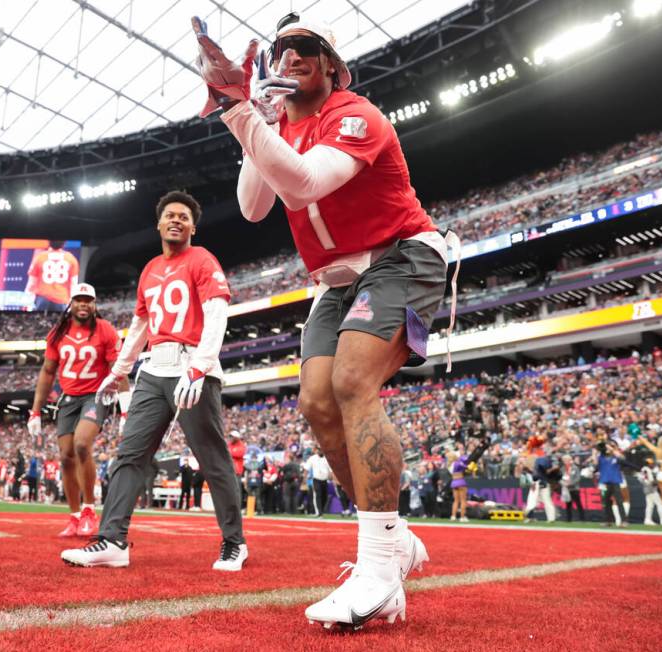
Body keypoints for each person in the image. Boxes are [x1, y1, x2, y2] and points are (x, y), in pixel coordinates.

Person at [193, 11, 446, 627]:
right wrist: (252, 114)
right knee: (316, 403)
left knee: (352, 382)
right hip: (334, 281)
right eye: (283, 48)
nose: (292, 55)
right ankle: (394, 543)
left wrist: (241, 112)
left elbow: (303, 185)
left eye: (308, 47)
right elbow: (253, 207)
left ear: (333, 64)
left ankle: (380, 574)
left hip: (400, 255)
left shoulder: (356, 114)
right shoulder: (277, 122)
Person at [61, 190, 247, 571]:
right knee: (129, 454)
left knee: (211, 457)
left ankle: (234, 542)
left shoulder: (202, 259)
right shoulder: (148, 270)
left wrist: (200, 366)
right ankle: (113, 539)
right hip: (154, 368)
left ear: (193, 226)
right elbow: (141, 325)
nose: (176, 220)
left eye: (183, 216)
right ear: (159, 224)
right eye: (169, 215)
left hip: (192, 366)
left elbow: (217, 312)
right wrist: (120, 369)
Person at [28, 282, 124, 536]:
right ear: (71, 303)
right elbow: (48, 372)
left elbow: (119, 369)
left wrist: (126, 407)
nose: (83, 304)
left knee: (82, 444)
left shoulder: (105, 330)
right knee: (66, 455)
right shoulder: (58, 332)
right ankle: (73, 516)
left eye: (88, 300)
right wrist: (35, 411)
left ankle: (89, 510)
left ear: (94, 305)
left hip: (96, 395)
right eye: (79, 300)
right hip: (68, 399)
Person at [26, 241, 80, 311]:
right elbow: (74, 284)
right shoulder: (71, 259)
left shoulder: (40, 257)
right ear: (64, 243)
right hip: (61, 299)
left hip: (42, 299)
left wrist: (28, 301)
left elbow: (32, 282)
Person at [638, 457, 662, 526]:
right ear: (647, 464)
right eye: (650, 463)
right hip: (651, 489)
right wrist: (655, 482)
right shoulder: (646, 470)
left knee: (650, 505)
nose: (652, 464)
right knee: (659, 504)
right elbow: (648, 480)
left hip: (648, 488)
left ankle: (647, 519)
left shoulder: (646, 469)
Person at [304, 448, 331, 516]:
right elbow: (307, 468)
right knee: (318, 495)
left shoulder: (326, 458)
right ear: (317, 450)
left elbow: (330, 469)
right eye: (319, 450)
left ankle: (321, 509)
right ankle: (319, 512)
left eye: (322, 450)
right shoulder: (312, 458)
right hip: (316, 479)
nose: (321, 451)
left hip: (325, 480)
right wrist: (304, 478)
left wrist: (331, 477)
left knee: (325, 496)